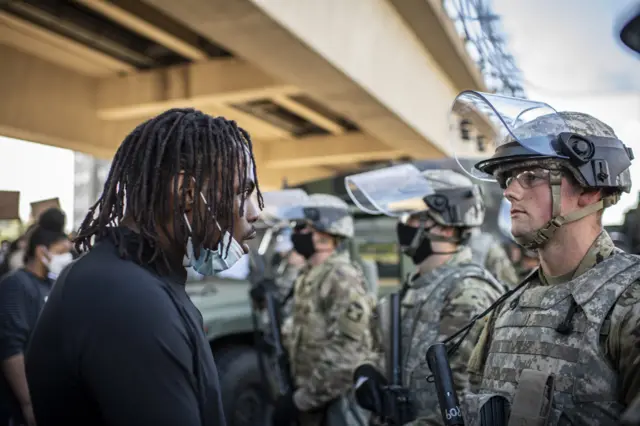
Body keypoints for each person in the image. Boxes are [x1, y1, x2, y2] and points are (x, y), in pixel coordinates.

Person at [24, 108, 261, 426]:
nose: (255, 211)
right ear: (187, 193)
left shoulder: (138, 279)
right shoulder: (125, 298)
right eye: (242, 193)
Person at [451, 91, 640, 425]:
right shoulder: (506, 307)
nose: (509, 191)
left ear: (591, 188)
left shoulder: (630, 302)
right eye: (509, 179)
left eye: (531, 176)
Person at [346, 164, 505, 425]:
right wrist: (367, 372)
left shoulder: (468, 291)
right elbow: (382, 349)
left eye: (413, 216)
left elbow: (462, 397)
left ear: (444, 226)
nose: (404, 225)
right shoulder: (417, 285)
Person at [273, 192, 376, 426]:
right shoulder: (309, 274)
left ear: (323, 236)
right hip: (310, 397)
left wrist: (302, 399)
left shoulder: (340, 277)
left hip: (333, 403)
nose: (295, 234)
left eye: (302, 227)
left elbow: (348, 352)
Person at [0, 208, 71, 426]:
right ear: (42, 253)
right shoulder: (16, 286)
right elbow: (12, 348)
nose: (67, 258)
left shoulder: (51, 284)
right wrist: (28, 404)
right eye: (61, 252)